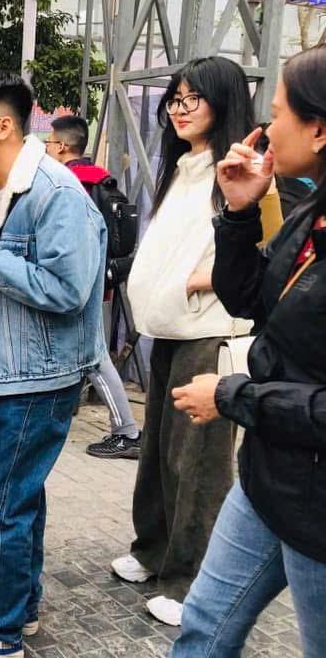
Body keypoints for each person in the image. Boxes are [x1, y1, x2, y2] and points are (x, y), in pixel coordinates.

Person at [0, 68, 106, 658]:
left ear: (5, 126)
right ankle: (17, 607)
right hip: (13, 369)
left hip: (39, 376)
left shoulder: (55, 193)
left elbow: (68, 290)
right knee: (19, 499)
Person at [168, 45, 326, 658]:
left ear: (318, 129)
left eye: (280, 113)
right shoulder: (309, 213)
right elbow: (251, 297)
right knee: (204, 624)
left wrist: (234, 396)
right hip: (267, 479)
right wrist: (238, 212)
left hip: (319, 514)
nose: (268, 126)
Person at [114, 57, 256, 627]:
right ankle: (153, 550)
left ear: (224, 101)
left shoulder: (241, 168)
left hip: (209, 330)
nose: (179, 109)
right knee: (158, 449)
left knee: (196, 462)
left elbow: (264, 246)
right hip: (169, 327)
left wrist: (212, 277)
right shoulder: (186, 165)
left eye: (193, 98)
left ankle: (194, 581)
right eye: (175, 98)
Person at [46, 116, 142, 459]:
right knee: (84, 353)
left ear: (61, 146)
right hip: (97, 280)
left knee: (94, 357)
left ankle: (127, 432)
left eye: (48, 143)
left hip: (77, 285)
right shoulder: (100, 179)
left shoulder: (69, 184)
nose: (47, 149)